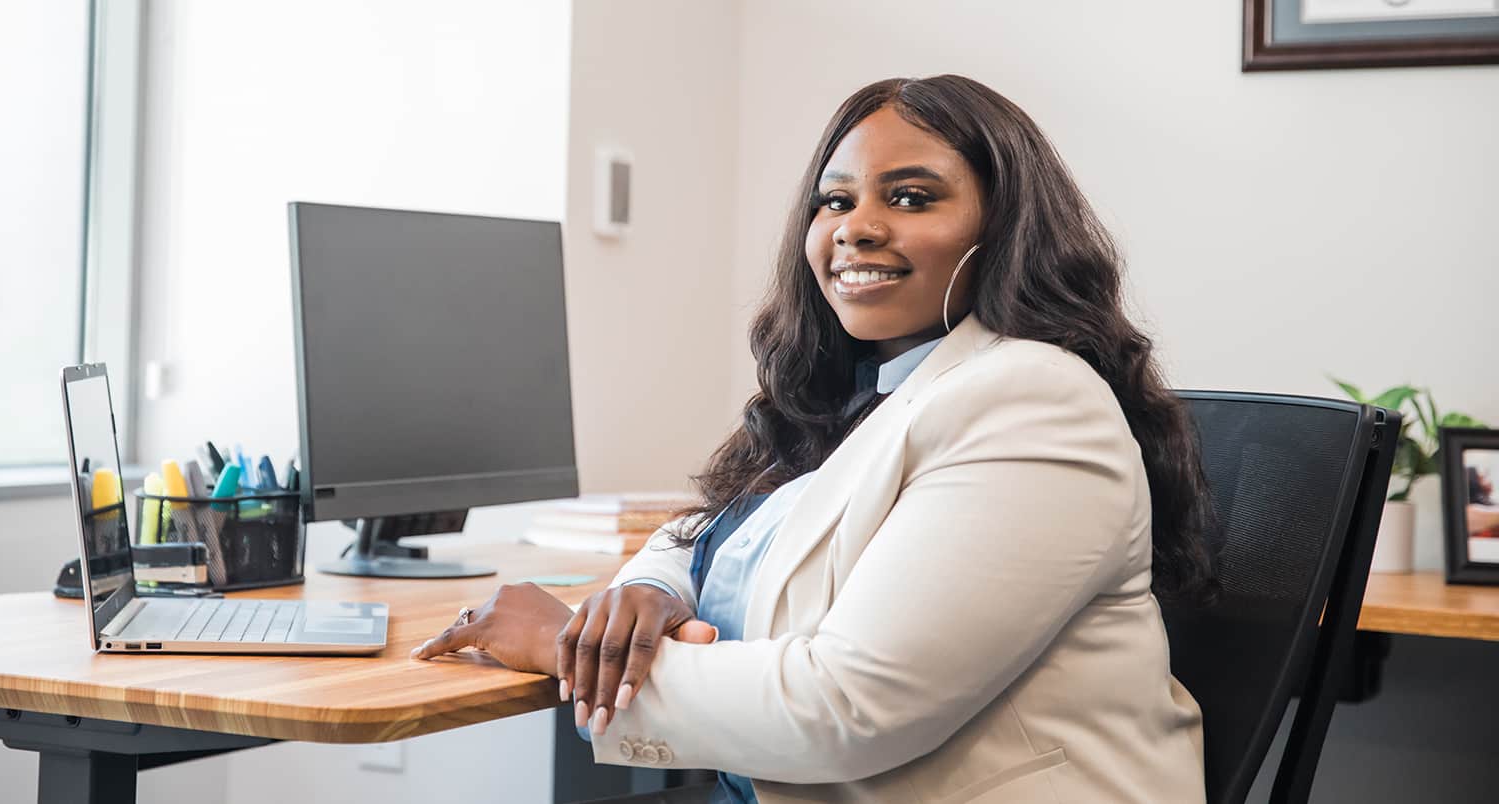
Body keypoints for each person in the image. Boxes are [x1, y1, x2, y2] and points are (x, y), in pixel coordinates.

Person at [412, 74, 1217, 803]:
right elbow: (701, 536)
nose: (856, 227)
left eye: (909, 197)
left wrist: (561, 642)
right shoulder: (864, 392)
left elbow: (849, 706)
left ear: (1004, 231)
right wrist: (656, 594)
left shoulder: (1032, 399)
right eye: (835, 201)